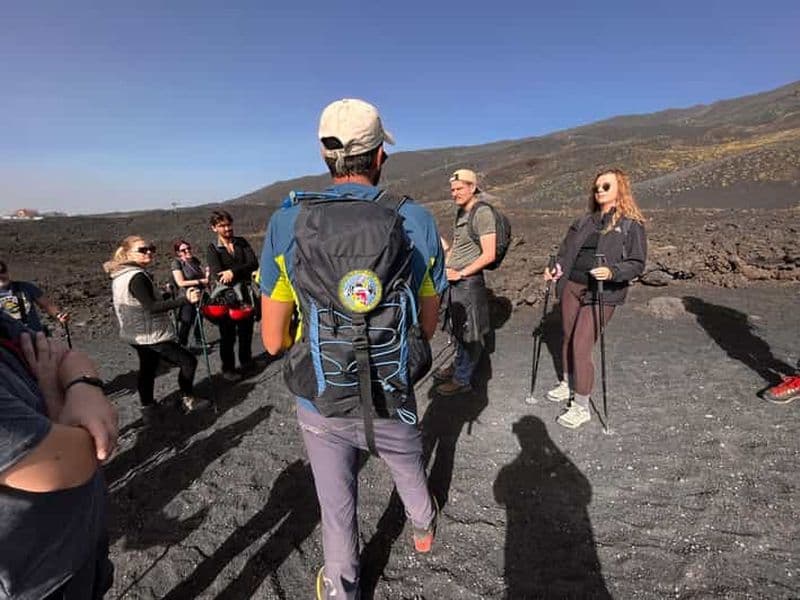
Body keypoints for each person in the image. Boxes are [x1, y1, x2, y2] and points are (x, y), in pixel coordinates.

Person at [258, 98, 446, 599]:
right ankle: (424, 526)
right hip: (392, 387)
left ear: (325, 156)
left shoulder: (287, 222)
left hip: (320, 394)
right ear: (381, 154)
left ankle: (343, 588)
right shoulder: (418, 220)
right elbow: (428, 322)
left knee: (336, 504)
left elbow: (273, 340)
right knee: (408, 464)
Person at [0, 310, 117, 599]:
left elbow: (67, 355)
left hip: (83, 534)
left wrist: (82, 385)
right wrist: (56, 390)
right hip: (38, 581)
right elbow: (80, 459)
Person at [544, 168, 647, 429]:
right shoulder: (584, 222)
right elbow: (565, 252)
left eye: (605, 187)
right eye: (596, 187)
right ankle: (567, 382)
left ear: (620, 189)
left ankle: (580, 406)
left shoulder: (631, 224)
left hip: (603, 292)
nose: (599, 191)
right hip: (572, 286)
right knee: (567, 335)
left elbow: (636, 263)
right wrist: (555, 268)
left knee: (581, 343)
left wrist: (613, 272)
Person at [104, 236, 209, 421]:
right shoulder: (137, 276)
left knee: (148, 368)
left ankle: (148, 409)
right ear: (128, 253)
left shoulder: (121, 275)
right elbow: (151, 307)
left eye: (151, 248)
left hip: (135, 334)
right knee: (188, 361)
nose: (149, 252)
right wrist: (186, 300)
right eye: (143, 250)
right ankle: (187, 398)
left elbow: (139, 300)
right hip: (150, 334)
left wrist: (165, 295)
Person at [433, 168, 494, 396]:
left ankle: (462, 379)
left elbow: (489, 254)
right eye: (452, 189)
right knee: (458, 328)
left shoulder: (482, 213)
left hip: (468, 283)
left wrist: (462, 273)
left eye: (459, 188)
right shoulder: (462, 213)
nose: (455, 193)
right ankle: (458, 367)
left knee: (469, 332)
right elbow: (461, 247)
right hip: (456, 281)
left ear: (472, 187)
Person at [206, 210, 259, 381]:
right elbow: (217, 273)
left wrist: (232, 271)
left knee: (246, 331)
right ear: (214, 228)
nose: (227, 228)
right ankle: (227, 368)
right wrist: (236, 272)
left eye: (229, 224)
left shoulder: (241, 242)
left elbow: (253, 263)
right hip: (227, 297)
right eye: (222, 225)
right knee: (227, 335)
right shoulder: (213, 248)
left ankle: (246, 362)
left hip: (245, 293)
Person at [0, 259, 70, 334]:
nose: (0, 276)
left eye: (2, 271)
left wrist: (59, 315)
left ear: (7, 272)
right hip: (8, 338)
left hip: (34, 334)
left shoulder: (25, 287)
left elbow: (47, 305)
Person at [170, 239, 209, 348]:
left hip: (199, 294)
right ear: (178, 253)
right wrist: (201, 281)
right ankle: (182, 345)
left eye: (188, 248)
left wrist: (206, 276)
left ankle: (199, 341)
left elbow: (202, 277)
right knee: (186, 321)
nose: (187, 251)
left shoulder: (195, 261)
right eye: (183, 250)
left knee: (199, 318)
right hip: (186, 296)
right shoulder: (177, 263)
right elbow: (180, 282)